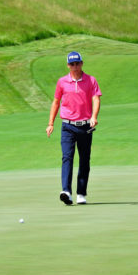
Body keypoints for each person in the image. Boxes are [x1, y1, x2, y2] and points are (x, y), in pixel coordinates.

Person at [46, 51, 102, 205]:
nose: (75, 67)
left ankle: (81, 194)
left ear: (82, 63)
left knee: (84, 160)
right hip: (67, 126)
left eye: (77, 63)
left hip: (85, 126)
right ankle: (66, 191)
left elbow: (96, 99)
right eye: (72, 64)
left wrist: (94, 116)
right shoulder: (62, 82)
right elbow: (56, 102)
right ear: (68, 65)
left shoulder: (91, 80)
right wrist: (51, 123)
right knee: (67, 157)